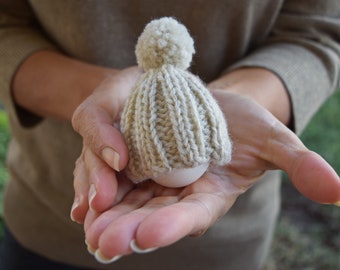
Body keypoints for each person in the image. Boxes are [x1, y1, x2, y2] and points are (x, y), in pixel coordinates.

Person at [0, 0, 339, 269]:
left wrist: (231, 101)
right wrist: (102, 103)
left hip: (227, 244)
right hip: (51, 220)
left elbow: (316, 33)